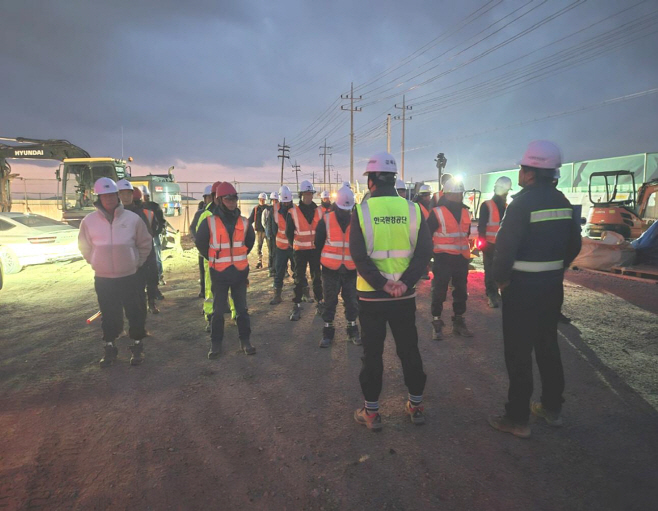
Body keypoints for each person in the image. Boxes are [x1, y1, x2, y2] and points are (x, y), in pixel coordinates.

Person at [488, 140, 582, 439]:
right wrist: (556, 267)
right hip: (551, 287)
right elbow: (575, 243)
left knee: (518, 353)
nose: (519, 172)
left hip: (522, 288)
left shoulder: (522, 204)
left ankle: (517, 418)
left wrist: (500, 280)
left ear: (531, 172)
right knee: (548, 347)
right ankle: (552, 409)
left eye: (522, 168)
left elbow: (505, 248)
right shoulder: (563, 201)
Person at [350, 151, 432, 431]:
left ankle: (372, 414)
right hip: (403, 297)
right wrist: (404, 283)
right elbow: (423, 255)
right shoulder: (413, 210)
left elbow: (359, 258)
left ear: (371, 179)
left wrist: (382, 284)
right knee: (408, 349)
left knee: (372, 353)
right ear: (394, 178)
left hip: (371, 297)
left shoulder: (361, 212)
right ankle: (416, 405)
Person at [78, 177, 153, 367]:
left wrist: (136, 263)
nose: (109, 199)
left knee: (135, 312)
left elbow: (145, 243)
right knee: (109, 314)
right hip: (104, 279)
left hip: (129, 276)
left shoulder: (132, 219)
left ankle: (137, 346)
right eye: (105, 195)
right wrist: (95, 262)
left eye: (112, 194)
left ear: (117, 195)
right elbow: (84, 246)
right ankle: (110, 347)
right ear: (99, 198)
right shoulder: (89, 221)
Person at [195, 181, 256, 357]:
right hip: (220, 274)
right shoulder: (209, 221)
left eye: (234, 199)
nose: (232, 202)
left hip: (238, 273)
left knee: (242, 310)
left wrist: (239, 256)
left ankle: (245, 341)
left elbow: (249, 242)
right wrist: (214, 258)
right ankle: (216, 344)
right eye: (228, 199)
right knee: (218, 311)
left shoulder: (244, 222)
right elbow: (201, 243)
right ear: (220, 200)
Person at [427, 177, 474, 340]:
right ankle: (437, 322)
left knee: (461, 292)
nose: (460, 196)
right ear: (448, 194)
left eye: (461, 193)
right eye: (457, 193)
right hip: (443, 259)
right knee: (439, 291)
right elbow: (427, 236)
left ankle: (458, 321)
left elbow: (466, 235)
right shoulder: (437, 213)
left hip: (461, 259)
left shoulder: (466, 211)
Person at [315, 185, 360, 348]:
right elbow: (318, 243)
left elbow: (359, 245)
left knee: (352, 301)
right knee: (330, 301)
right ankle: (328, 332)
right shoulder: (326, 220)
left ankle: (352, 329)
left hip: (349, 269)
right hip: (330, 270)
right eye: (343, 209)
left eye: (348, 209)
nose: (346, 213)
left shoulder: (356, 220)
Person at [117, 179, 161, 315]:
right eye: (122, 194)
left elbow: (153, 230)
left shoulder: (144, 213)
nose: (125, 196)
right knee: (135, 284)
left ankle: (150, 303)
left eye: (127, 193)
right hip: (128, 254)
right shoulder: (115, 215)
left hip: (146, 251)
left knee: (151, 278)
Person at [287, 179, 324, 321]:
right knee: (299, 278)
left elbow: (322, 232)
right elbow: (289, 233)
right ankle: (296, 305)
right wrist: (295, 245)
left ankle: (320, 302)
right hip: (300, 251)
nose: (308, 196)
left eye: (310, 194)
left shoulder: (319, 211)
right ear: (301, 195)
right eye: (306, 194)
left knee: (317, 277)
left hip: (315, 250)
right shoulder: (293, 212)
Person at [478, 176, 512, 308]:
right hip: (490, 244)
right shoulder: (487, 205)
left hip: (502, 245)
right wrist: (483, 243)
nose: (506, 194)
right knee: (490, 270)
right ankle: (491, 294)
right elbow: (482, 226)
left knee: (502, 270)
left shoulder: (507, 207)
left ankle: (497, 293)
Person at [269, 186, 295, 305]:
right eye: (284, 202)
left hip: (294, 247)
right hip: (280, 248)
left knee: (298, 271)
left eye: (288, 202)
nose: (286, 204)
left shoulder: (295, 210)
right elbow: (273, 230)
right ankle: (277, 295)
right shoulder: (274, 210)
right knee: (279, 272)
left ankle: (301, 294)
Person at [190, 185, 214, 298]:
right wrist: (197, 240)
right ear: (205, 199)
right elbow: (192, 227)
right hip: (203, 249)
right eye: (209, 197)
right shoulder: (200, 213)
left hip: (215, 248)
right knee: (204, 271)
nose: (211, 200)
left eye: (212, 197)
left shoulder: (218, 213)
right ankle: (203, 290)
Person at [142, 186, 167, 287]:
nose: (146, 198)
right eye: (144, 196)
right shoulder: (139, 209)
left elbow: (161, 221)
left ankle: (159, 276)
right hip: (144, 238)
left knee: (156, 257)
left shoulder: (154, 207)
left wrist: (157, 232)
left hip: (154, 236)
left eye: (147, 196)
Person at [248, 192, 269, 269]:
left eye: (263, 199)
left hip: (267, 231)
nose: (262, 201)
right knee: (259, 246)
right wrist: (246, 224)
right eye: (261, 199)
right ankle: (259, 261)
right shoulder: (256, 209)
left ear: (266, 200)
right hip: (259, 231)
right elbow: (251, 219)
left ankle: (271, 262)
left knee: (270, 247)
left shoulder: (269, 208)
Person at [262, 191, 278, 277]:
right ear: (271, 200)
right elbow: (263, 222)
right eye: (273, 200)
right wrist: (268, 231)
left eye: (276, 200)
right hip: (270, 235)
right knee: (271, 252)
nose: (275, 202)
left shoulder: (279, 210)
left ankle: (279, 269)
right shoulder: (266, 210)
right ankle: (271, 269)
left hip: (278, 236)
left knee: (278, 253)